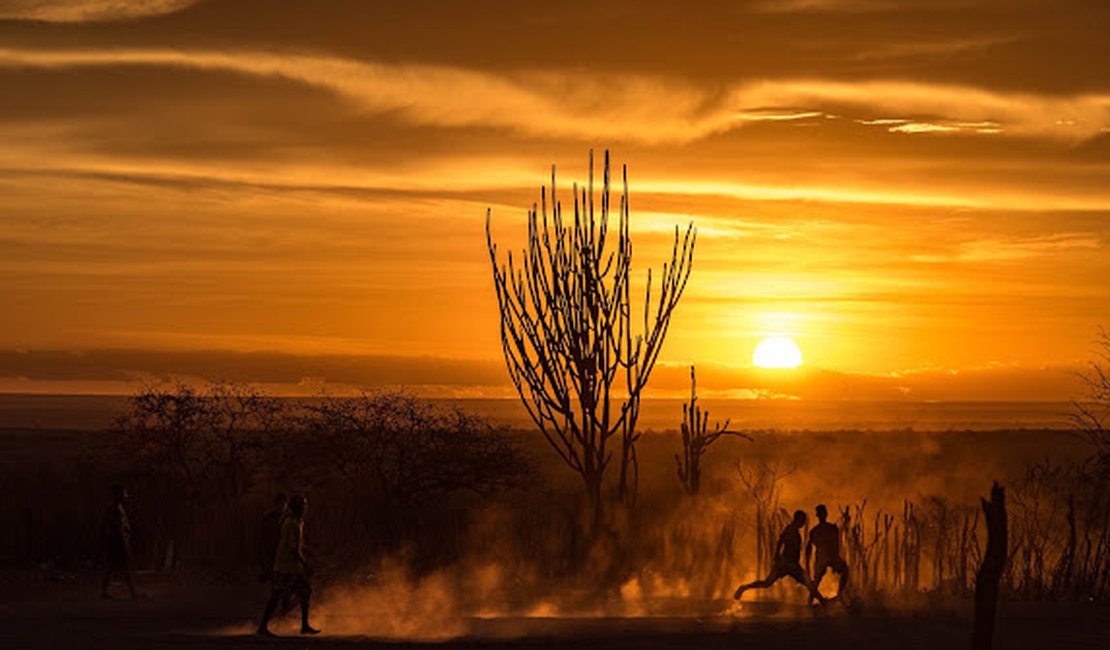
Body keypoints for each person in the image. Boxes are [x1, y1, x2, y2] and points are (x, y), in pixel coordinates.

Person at [257, 494, 320, 636]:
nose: (305, 508)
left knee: (304, 591)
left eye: (305, 505)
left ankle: (304, 626)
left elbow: (295, 546)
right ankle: (263, 627)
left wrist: (307, 556)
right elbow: (292, 549)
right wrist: (306, 564)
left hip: (292, 567)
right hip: (284, 567)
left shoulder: (297, 522)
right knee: (277, 595)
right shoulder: (290, 523)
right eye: (303, 505)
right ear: (296, 507)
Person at [733, 510, 825, 604]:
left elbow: (781, 541)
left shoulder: (792, 530)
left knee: (768, 583)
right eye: (802, 521)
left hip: (789, 564)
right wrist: (777, 555)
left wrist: (777, 555)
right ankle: (823, 601)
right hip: (787, 563)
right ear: (797, 519)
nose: (803, 523)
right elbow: (781, 541)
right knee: (769, 583)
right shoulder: (790, 530)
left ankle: (822, 601)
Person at [101, 484, 138, 599]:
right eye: (124, 493)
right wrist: (124, 537)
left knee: (112, 567)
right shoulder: (115, 509)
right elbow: (117, 527)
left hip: (117, 541)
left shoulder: (116, 508)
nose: (126, 495)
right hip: (118, 542)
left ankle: (105, 591)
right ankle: (132, 592)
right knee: (124, 567)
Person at [806, 504, 849, 603]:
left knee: (817, 581)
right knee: (817, 581)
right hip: (825, 558)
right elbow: (809, 549)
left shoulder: (828, 529)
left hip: (827, 558)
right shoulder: (820, 530)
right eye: (822, 513)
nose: (822, 515)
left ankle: (839, 595)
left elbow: (837, 542)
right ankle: (811, 601)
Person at [257, 493, 287, 580]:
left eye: (284, 504)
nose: (282, 507)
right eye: (281, 504)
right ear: (276, 504)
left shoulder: (287, 519)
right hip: (272, 550)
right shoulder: (268, 519)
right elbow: (263, 538)